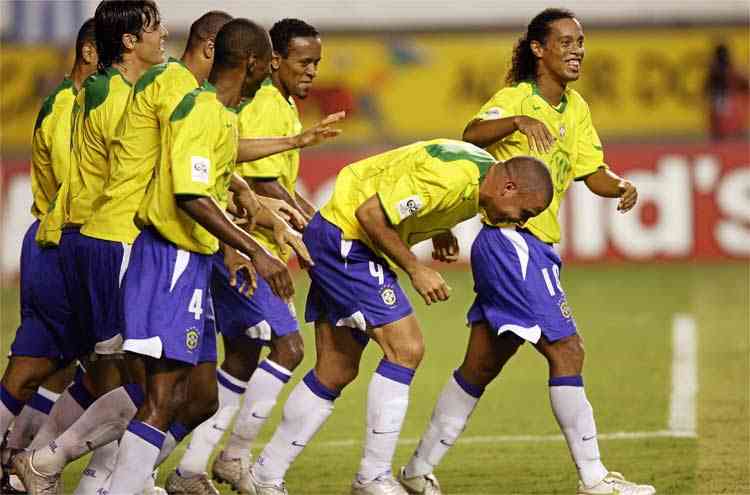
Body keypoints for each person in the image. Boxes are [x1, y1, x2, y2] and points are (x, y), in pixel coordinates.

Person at [397, 9, 654, 495]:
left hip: (532, 246)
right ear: (538, 49)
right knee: (567, 349)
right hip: (513, 242)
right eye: (566, 41)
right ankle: (594, 479)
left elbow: (590, 170)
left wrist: (618, 184)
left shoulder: (575, 109)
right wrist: (518, 119)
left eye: (581, 41)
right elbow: (472, 133)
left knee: (480, 365)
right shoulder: (515, 98)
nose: (577, 49)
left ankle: (416, 470)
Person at [245, 139, 553, 495]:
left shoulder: (480, 173)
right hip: (349, 241)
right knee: (406, 349)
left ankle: (265, 474)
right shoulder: (453, 178)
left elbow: (411, 183)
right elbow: (370, 214)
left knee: (336, 369)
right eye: (525, 211)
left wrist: (440, 228)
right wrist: (415, 268)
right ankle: (373, 477)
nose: (520, 220)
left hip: (337, 237)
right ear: (509, 187)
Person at [99, 17, 324, 494]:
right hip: (169, 258)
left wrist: (258, 222)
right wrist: (255, 252)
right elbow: (191, 196)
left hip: (192, 262)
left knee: (192, 397)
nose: (268, 74)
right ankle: (90, 478)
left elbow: (220, 181)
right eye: (266, 65)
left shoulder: (218, 115)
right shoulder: (200, 110)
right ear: (253, 63)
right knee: (159, 396)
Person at [172, 18, 328, 494]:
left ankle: (191, 467)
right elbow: (255, 176)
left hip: (243, 242)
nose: (312, 72)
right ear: (270, 61)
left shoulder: (277, 104)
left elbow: (243, 169)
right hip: (234, 243)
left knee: (240, 355)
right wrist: (303, 222)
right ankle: (229, 458)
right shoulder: (259, 103)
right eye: (304, 62)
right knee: (288, 347)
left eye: (317, 63)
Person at [0, 15, 97, 487]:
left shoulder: (83, 105)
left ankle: (20, 463)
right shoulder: (65, 107)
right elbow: (72, 183)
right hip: (56, 245)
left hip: (72, 245)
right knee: (32, 366)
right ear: (90, 54)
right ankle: (21, 459)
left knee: (61, 368)